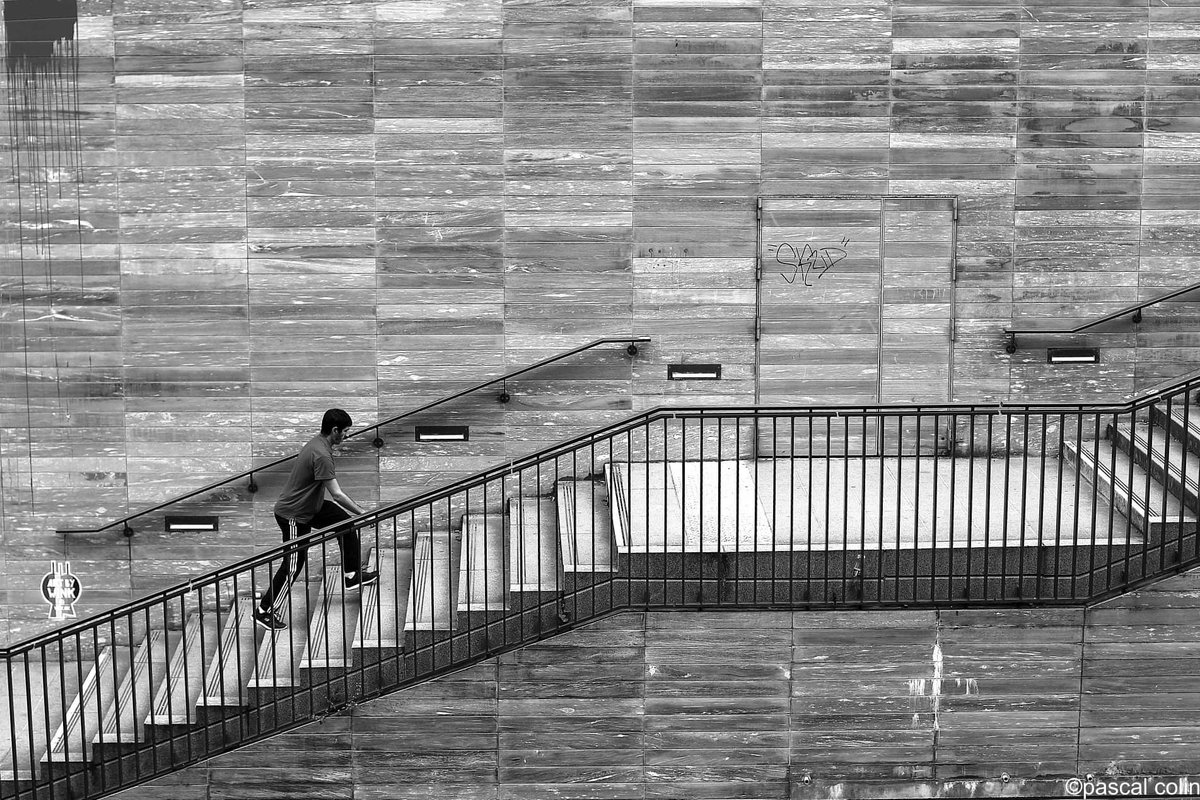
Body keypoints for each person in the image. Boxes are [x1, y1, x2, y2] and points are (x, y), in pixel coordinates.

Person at [254, 408, 379, 631]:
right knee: (293, 565)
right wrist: (363, 513)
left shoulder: (319, 444)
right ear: (335, 431)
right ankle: (264, 611)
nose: (347, 436)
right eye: (346, 432)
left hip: (313, 506)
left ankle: (351, 575)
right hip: (293, 514)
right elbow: (337, 494)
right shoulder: (321, 455)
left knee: (345, 525)